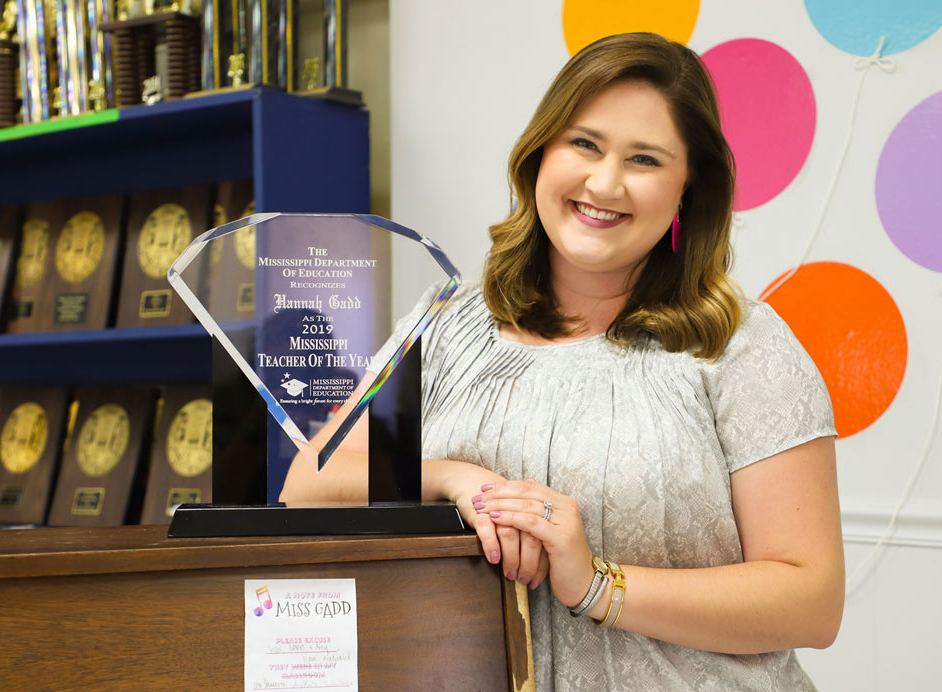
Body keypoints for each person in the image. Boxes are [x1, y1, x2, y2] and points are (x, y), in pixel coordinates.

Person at [282, 32, 843, 691]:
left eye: (644, 159)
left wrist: (596, 583)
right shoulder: (446, 322)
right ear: (540, 151)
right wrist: (456, 479)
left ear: (688, 187)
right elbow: (306, 481)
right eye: (584, 143)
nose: (604, 183)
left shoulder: (738, 342)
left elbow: (812, 601)